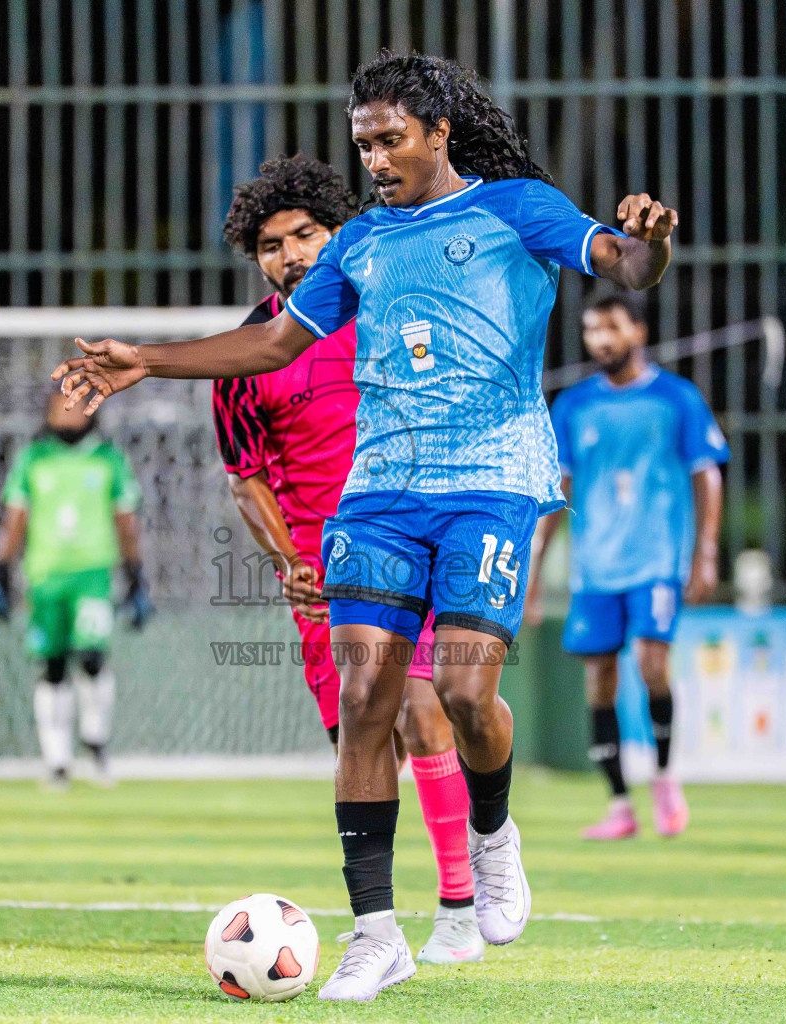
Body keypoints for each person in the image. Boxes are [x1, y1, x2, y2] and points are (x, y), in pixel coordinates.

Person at [53, 52, 677, 1001]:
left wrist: (649, 239)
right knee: (367, 700)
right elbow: (272, 341)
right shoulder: (362, 245)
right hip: (381, 490)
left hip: (492, 479)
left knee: (467, 696)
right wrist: (145, 358)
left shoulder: (517, 207)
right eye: (364, 144)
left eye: (390, 140)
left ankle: (494, 838)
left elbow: (624, 265)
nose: (376, 159)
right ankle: (377, 932)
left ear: (438, 134)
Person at [214, 153, 482, 964]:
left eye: (305, 234)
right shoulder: (246, 357)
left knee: (421, 707)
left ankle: (461, 909)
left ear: (337, 234)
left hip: (410, 546)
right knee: (365, 743)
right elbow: (245, 478)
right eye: (270, 243)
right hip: (321, 575)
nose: (289, 253)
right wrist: (287, 558)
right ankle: (386, 928)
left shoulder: (393, 315)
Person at [529, 291, 727, 840]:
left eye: (611, 327)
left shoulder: (676, 398)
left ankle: (663, 777)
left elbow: (707, 473)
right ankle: (619, 803)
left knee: (652, 663)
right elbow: (558, 489)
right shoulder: (573, 406)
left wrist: (705, 553)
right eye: (592, 330)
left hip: (657, 559)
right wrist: (535, 570)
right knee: (599, 679)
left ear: (637, 331)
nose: (600, 340)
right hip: (595, 567)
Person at [0, 388, 152, 788]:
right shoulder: (33, 459)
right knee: (53, 664)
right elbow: (15, 518)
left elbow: (125, 519)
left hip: (93, 574)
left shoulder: (109, 459)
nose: (66, 413)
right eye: (58, 406)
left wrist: (135, 574)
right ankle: (57, 761)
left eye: (75, 405)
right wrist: (0, 572)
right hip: (44, 576)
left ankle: (96, 743)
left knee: (93, 656)